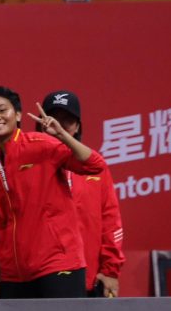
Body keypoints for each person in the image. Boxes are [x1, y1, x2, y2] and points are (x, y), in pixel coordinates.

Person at [0, 85, 107, 300]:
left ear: (17, 115)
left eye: (1, 110)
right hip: (13, 275)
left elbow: (94, 165)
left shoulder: (43, 144)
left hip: (58, 265)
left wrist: (62, 135)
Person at [39, 91, 124, 298]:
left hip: (89, 279)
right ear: (41, 123)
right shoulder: (28, 166)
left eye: (67, 120)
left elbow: (111, 221)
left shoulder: (95, 167)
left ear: (77, 126)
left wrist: (110, 270)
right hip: (42, 277)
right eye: (53, 119)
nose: (58, 126)